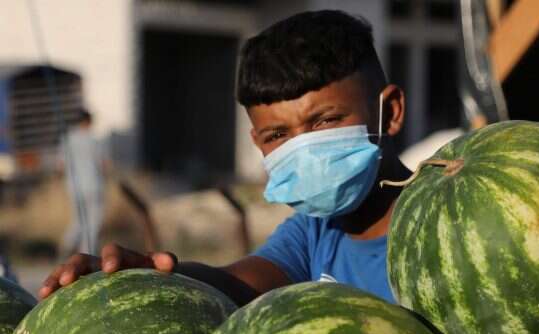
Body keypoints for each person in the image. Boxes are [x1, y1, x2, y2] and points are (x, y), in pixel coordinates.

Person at [38, 10, 411, 306]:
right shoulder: (315, 231)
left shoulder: (439, 224)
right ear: (257, 141)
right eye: (277, 135)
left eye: (325, 120)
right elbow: (236, 282)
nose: (304, 148)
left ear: (390, 112)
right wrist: (149, 275)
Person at [59, 108, 108, 257]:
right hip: (93, 185)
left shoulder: (67, 139)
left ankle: (66, 245)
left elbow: (61, 165)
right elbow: (103, 164)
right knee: (93, 222)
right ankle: (86, 255)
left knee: (78, 221)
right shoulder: (94, 140)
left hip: (74, 187)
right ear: (88, 121)